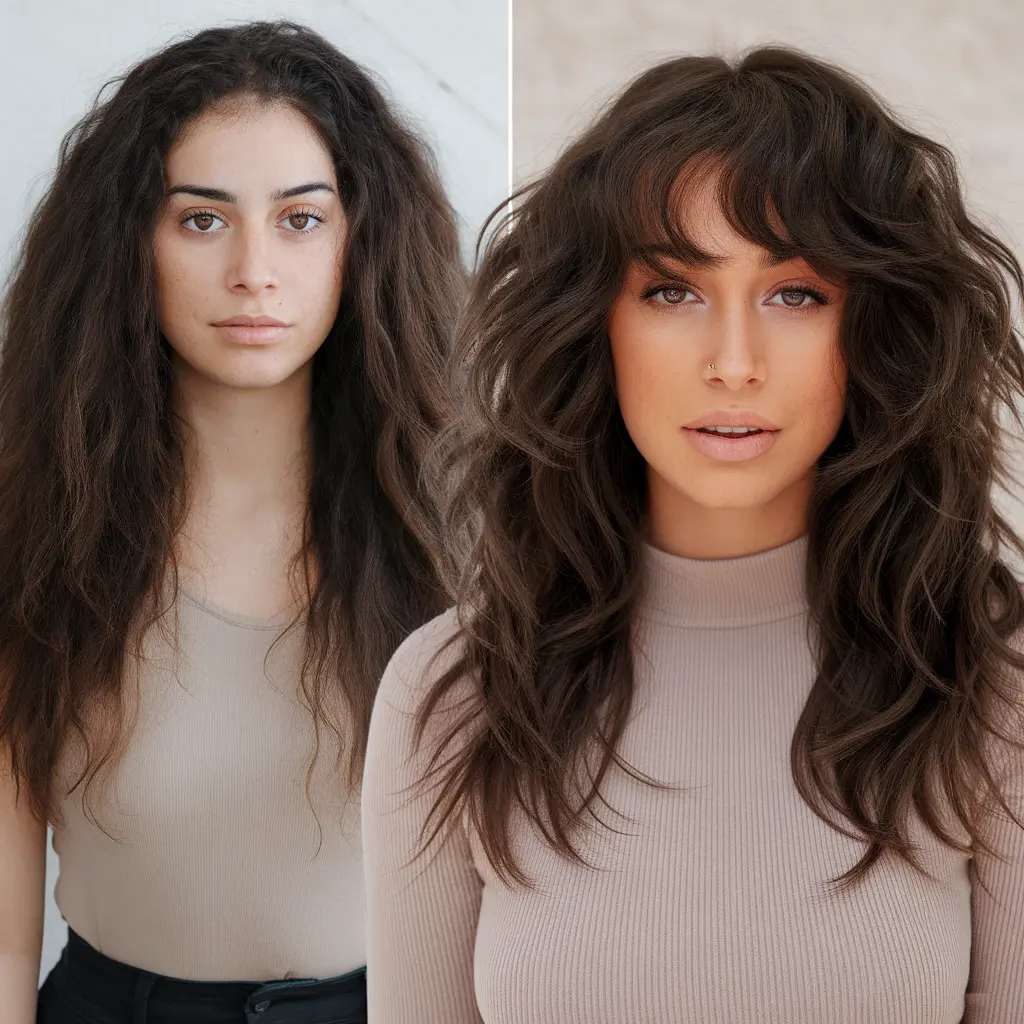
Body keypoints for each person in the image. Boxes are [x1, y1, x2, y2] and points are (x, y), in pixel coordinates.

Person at [362, 46, 1024, 1023]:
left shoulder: (989, 676)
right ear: (596, 322)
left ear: (875, 330)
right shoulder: (453, 692)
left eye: (796, 293)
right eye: (673, 289)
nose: (733, 361)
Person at [0, 19, 462, 1024]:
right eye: (202, 220)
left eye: (300, 220)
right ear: (131, 243)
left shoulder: (470, 529)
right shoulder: (30, 526)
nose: (255, 269)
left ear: (359, 240)